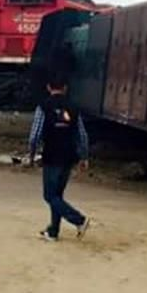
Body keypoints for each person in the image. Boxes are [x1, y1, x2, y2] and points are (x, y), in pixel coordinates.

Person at [29, 75, 90, 242]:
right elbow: (82, 135)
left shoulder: (43, 106)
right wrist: (84, 156)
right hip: (69, 156)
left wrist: (32, 153)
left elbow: (35, 134)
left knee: (50, 196)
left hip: (51, 155)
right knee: (57, 195)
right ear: (65, 88)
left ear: (48, 87)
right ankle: (53, 231)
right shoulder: (74, 107)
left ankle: (79, 220)